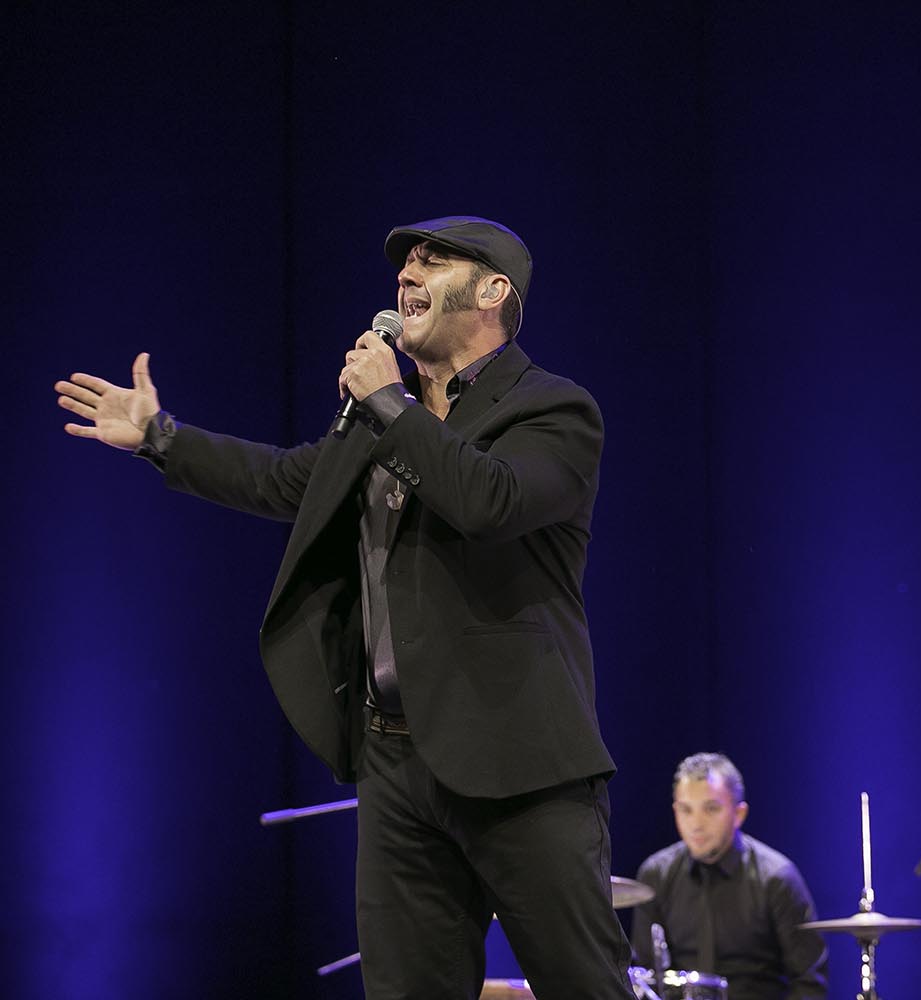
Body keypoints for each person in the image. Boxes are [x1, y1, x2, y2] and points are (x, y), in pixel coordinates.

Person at [55, 216, 635, 1000]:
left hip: (520, 766)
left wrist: (392, 405)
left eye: (434, 259)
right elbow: (287, 482)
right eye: (405, 261)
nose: (408, 271)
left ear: (494, 290)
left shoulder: (554, 410)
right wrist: (161, 437)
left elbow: (488, 501)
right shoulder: (377, 418)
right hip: (396, 760)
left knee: (585, 987)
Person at [630, 752, 828, 1000]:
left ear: (739, 814)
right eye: (686, 810)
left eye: (711, 809)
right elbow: (645, 976)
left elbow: (809, 982)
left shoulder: (777, 878)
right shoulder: (656, 874)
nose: (696, 824)